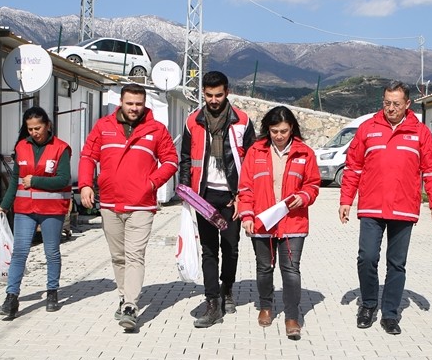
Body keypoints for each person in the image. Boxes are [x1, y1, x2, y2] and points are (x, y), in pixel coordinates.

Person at [338, 82, 432, 335]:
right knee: (367, 258)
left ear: (408, 104)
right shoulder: (368, 129)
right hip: (372, 207)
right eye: (387, 103)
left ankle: (390, 314)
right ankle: (368, 305)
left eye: (396, 104)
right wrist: (346, 200)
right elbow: (353, 167)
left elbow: (431, 170)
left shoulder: (420, 133)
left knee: (396, 264)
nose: (391, 108)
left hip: (404, 209)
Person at [78, 84, 179, 332]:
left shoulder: (156, 129)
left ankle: (131, 306)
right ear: (120, 102)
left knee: (135, 255)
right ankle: (124, 296)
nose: (134, 108)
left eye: (138, 104)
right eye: (129, 103)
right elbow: (88, 156)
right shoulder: (104, 126)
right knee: (118, 256)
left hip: (141, 204)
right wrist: (85, 185)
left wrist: (152, 183)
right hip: (110, 203)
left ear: (145, 104)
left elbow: (171, 160)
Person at [179, 70, 256, 328]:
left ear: (227, 92)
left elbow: (252, 162)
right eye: (209, 95)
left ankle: (227, 290)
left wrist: (243, 197)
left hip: (232, 196)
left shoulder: (242, 121)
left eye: (218, 95)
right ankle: (212, 303)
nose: (213, 100)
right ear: (203, 92)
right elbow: (186, 159)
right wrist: (185, 191)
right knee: (209, 250)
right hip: (204, 195)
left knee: (231, 247)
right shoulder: (193, 121)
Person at [236, 106, 320, 340]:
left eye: (284, 130)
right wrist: (247, 215)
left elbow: (313, 185)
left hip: (293, 222)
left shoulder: (305, 153)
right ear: (268, 130)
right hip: (262, 222)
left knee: (291, 270)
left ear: (292, 128)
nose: (279, 135)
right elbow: (245, 188)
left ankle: (292, 316)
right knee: (264, 268)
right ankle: (265, 306)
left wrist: (303, 197)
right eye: (274, 131)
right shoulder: (255, 151)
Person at [0, 107, 72, 321]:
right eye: (30, 129)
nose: (34, 132)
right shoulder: (21, 147)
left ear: (47, 125)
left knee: (51, 252)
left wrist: (35, 181)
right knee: (19, 253)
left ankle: (52, 293)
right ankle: (11, 297)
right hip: (24, 210)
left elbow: (63, 179)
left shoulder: (61, 148)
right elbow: (16, 181)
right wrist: (4, 205)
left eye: (38, 127)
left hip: (51, 211)